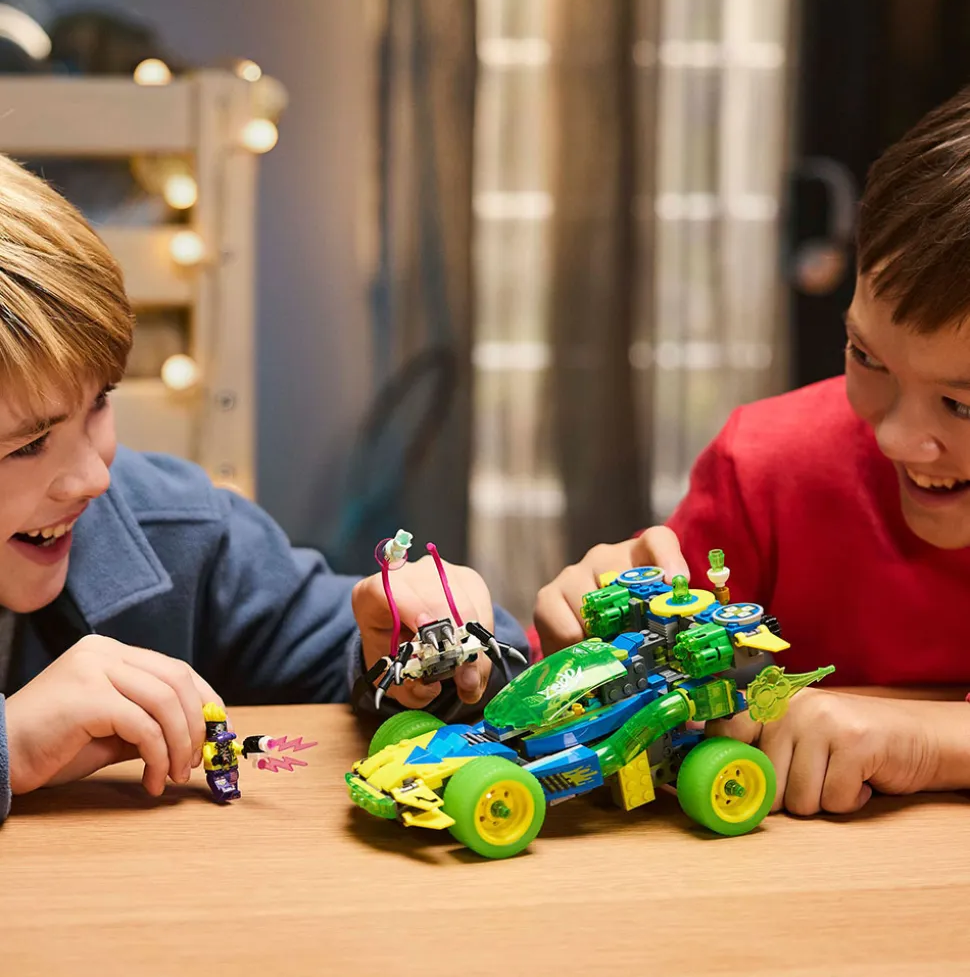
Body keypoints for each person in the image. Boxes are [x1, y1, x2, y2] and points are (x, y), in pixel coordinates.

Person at [0, 153, 528, 824]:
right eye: (27, 444)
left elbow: (496, 673)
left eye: (99, 401)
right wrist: (10, 744)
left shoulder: (179, 534)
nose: (94, 477)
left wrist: (419, 652)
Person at [534, 84, 970, 819]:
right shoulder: (768, 468)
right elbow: (592, 702)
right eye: (868, 357)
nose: (894, 437)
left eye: (961, 403)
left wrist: (933, 743)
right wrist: (586, 634)